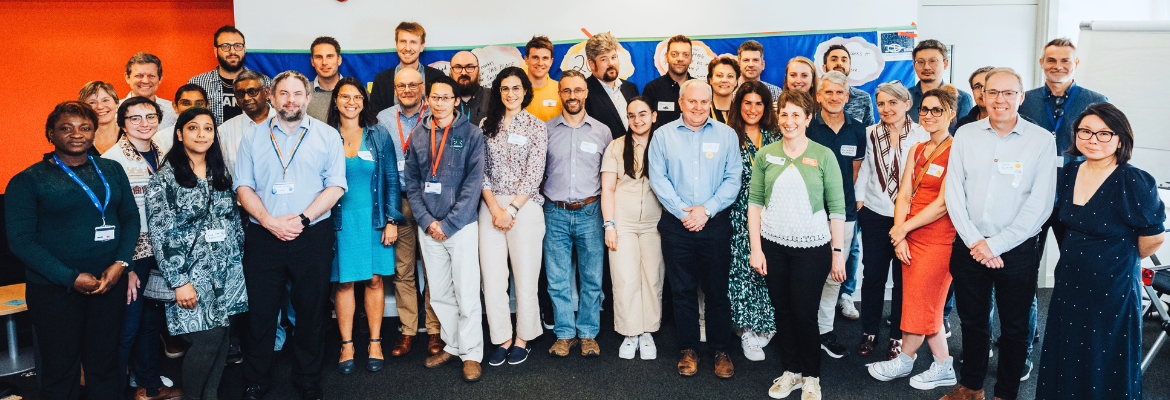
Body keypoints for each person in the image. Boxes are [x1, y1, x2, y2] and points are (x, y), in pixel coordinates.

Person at [6, 101, 137, 400]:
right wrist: (71, 277)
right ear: (50, 133)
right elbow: (21, 242)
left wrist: (121, 263)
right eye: (66, 128)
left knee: (104, 365)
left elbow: (129, 217)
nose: (76, 134)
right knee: (59, 370)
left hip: (108, 285)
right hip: (55, 292)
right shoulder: (28, 180)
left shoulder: (112, 170)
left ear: (94, 132)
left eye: (85, 127)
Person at [941, 67, 1057, 400]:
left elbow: (1040, 205)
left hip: (1017, 249)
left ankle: (1005, 393)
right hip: (969, 246)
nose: (999, 100)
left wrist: (995, 245)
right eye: (992, 92)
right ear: (982, 96)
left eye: (1008, 93)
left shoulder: (1041, 141)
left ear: (1021, 97)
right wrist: (976, 243)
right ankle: (971, 387)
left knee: (1016, 328)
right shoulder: (965, 134)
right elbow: (954, 193)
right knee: (973, 322)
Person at [1037, 103, 1165, 400]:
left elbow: (1154, 239)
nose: (1093, 139)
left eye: (1104, 133)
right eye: (1085, 131)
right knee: (1068, 352)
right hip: (1070, 281)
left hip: (1113, 287)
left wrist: (1116, 261)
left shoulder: (1133, 180)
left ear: (1121, 139)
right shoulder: (1069, 173)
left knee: (1105, 359)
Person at [234, 70, 346, 400]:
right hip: (264, 234)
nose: (290, 100)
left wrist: (302, 219)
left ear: (309, 98)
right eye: (283, 93)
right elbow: (243, 186)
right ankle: (257, 379)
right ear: (271, 96)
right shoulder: (253, 137)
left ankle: (308, 378)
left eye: (298, 94)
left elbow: (336, 185)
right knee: (260, 311)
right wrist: (269, 220)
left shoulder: (327, 136)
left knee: (311, 311)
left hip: (311, 234)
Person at [146, 107, 248, 400]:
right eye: (193, 128)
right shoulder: (163, 180)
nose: (201, 134)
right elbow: (162, 234)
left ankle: (210, 395)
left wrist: (238, 261)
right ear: (179, 134)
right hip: (191, 274)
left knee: (222, 338)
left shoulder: (220, 172)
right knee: (207, 338)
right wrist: (179, 281)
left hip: (227, 271)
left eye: (207, 128)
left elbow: (233, 221)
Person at [750, 90, 846, 400]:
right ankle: (791, 371)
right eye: (784, 114)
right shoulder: (766, 154)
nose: (789, 121)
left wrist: (838, 254)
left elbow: (838, 209)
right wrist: (756, 248)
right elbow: (754, 204)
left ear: (808, 118)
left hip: (813, 248)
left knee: (804, 314)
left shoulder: (823, 155)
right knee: (784, 312)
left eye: (796, 115)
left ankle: (812, 377)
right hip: (773, 245)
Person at [867, 86, 961, 390]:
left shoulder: (957, 150)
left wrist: (901, 230)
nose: (930, 115)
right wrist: (901, 236)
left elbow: (943, 203)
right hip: (909, 233)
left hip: (939, 236)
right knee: (916, 301)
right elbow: (904, 194)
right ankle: (933, 363)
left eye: (937, 110)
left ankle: (912, 359)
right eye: (925, 109)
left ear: (950, 114)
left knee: (926, 302)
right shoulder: (918, 149)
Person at [648, 79, 738, 379]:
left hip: (715, 223)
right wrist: (684, 213)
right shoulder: (662, 136)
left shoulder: (726, 135)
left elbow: (732, 179)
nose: (698, 107)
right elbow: (658, 179)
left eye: (703, 102)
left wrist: (707, 210)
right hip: (677, 226)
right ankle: (688, 348)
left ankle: (720, 349)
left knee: (716, 291)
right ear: (681, 103)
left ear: (709, 102)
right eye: (692, 101)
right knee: (683, 291)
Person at [403, 76, 486, 382]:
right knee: (438, 292)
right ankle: (454, 344)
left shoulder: (472, 134)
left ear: (455, 101)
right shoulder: (419, 135)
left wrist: (449, 224)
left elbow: (473, 185)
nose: (439, 103)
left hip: (460, 226)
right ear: (429, 99)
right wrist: (427, 221)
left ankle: (472, 353)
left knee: (466, 291)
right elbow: (412, 182)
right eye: (434, 97)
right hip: (429, 227)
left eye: (445, 98)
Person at [102, 96, 179, 400]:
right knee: (128, 327)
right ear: (122, 123)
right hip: (133, 254)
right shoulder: (112, 160)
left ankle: (147, 385)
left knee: (150, 322)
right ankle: (113, 391)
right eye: (135, 118)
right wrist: (126, 265)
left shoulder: (162, 152)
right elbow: (110, 216)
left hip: (159, 251)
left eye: (150, 116)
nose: (144, 123)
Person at [325, 77, 402, 374]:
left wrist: (392, 220)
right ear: (336, 100)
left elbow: (391, 180)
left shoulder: (378, 134)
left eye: (357, 97)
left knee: (373, 280)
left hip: (374, 219)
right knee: (344, 282)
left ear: (364, 101)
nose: (351, 102)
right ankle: (347, 344)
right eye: (345, 97)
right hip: (339, 221)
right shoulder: (325, 135)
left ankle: (374, 342)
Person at [851, 81, 928, 359]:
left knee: (902, 280)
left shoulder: (922, 134)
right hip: (875, 213)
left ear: (907, 105)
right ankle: (869, 331)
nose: (886, 109)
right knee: (872, 276)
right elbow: (864, 172)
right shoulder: (869, 132)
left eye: (892, 103)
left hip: (909, 219)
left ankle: (897, 336)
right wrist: (860, 204)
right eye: (881, 103)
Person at [478, 67, 548, 367]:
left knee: (526, 277)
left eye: (516, 88)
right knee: (492, 279)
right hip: (490, 207)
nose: (511, 94)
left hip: (526, 207)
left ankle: (523, 338)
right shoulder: (485, 125)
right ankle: (502, 338)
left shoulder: (536, 126)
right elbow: (479, 170)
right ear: (498, 92)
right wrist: (495, 209)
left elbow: (535, 174)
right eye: (505, 88)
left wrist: (513, 210)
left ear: (525, 91)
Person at [375, 67, 446, 358]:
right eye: (401, 85)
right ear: (395, 88)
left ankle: (434, 331)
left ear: (422, 87)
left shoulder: (437, 114)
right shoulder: (382, 118)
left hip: (431, 202)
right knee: (403, 271)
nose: (407, 90)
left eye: (413, 85)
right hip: (400, 201)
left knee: (434, 269)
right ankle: (407, 331)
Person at [543, 70, 612, 358]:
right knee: (557, 278)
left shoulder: (602, 131)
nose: (573, 95)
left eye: (578, 90)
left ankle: (587, 333)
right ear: (560, 94)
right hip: (554, 212)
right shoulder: (545, 130)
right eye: (567, 90)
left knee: (592, 277)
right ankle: (564, 333)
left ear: (586, 93)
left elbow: (609, 178)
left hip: (590, 211)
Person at [805, 70, 866, 360]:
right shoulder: (807, 128)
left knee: (834, 275)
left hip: (844, 214)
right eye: (828, 92)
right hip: (809, 213)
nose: (833, 97)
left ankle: (824, 331)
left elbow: (852, 175)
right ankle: (803, 331)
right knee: (805, 274)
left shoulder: (857, 130)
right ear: (818, 96)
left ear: (847, 96)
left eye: (839, 93)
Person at [601, 97, 665, 360]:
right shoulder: (616, 147)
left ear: (653, 116)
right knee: (625, 277)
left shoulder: (663, 146)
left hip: (655, 224)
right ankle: (630, 332)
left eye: (642, 114)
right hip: (623, 223)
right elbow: (608, 188)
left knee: (652, 278)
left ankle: (647, 331)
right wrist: (609, 226)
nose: (637, 120)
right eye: (631, 115)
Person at [725, 82, 781, 362]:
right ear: (739, 105)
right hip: (739, 213)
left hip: (773, 214)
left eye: (759, 103)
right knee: (744, 273)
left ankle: (767, 324)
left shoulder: (776, 136)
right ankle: (746, 329)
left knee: (769, 271)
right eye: (747, 103)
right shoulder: (728, 136)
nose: (753, 109)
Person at [188, 25, 270, 125]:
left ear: (244, 49)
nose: (232, 51)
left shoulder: (265, 82)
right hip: (212, 140)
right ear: (215, 51)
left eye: (238, 46)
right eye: (225, 46)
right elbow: (187, 118)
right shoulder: (197, 83)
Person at [370, 22, 446, 113]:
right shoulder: (381, 79)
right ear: (396, 45)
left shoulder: (438, 77)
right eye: (403, 41)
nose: (407, 48)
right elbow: (375, 117)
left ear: (421, 47)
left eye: (413, 42)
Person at [907, 40, 974, 132]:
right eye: (921, 62)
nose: (926, 67)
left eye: (933, 61)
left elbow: (965, 137)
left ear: (945, 63)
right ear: (914, 65)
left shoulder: (962, 98)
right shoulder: (905, 97)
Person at [583, 32, 639, 140]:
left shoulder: (631, 88)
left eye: (614, 57)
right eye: (604, 59)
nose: (611, 63)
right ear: (591, 64)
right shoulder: (584, 92)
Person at [219, 70, 274, 175]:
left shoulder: (287, 123)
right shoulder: (224, 131)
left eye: (252, 92)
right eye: (240, 94)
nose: (246, 98)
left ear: (266, 92)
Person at [154, 85, 211, 177]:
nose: (192, 108)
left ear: (207, 106)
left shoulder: (215, 135)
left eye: (199, 104)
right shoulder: (160, 138)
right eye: (186, 103)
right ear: (175, 106)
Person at [642, 35, 693, 130]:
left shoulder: (699, 88)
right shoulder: (652, 88)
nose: (680, 59)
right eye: (675, 54)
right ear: (666, 57)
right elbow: (645, 124)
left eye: (685, 54)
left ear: (691, 59)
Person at [821, 44, 875, 126]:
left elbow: (869, 132)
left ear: (850, 69)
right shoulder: (815, 97)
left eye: (844, 60)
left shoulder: (863, 97)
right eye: (834, 59)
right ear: (824, 68)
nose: (839, 63)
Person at [123, 52, 178, 128]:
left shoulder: (174, 112)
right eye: (139, 75)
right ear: (127, 77)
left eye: (151, 76)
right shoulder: (112, 112)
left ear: (160, 79)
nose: (145, 81)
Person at [523, 36, 562, 122]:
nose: (540, 63)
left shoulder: (561, 90)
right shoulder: (515, 91)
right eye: (535, 57)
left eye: (545, 58)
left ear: (551, 62)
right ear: (526, 59)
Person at [307, 36, 344, 121]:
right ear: (312, 61)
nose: (324, 62)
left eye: (329, 56)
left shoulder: (358, 92)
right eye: (319, 57)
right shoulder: (302, 93)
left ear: (339, 60)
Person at [79, 81, 121, 154]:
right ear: (84, 108)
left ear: (117, 103)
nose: (100, 107)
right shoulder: (78, 141)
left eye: (105, 100)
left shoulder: (131, 136)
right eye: (92, 102)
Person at [450, 50, 490, 127]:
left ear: (478, 70)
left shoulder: (492, 98)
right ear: (451, 71)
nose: (464, 72)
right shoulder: (443, 100)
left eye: (469, 67)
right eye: (458, 67)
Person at [737, 40, 783, 104]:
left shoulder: (776, 93)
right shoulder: (729, 92)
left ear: (762, 65)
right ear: (739, 64)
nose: (750, 65)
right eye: (746, 60)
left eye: (755, 60)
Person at [707, 56, 740, 124]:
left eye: (730, 76)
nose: (724, 80)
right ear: (710, 79)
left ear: (736, 81)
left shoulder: (742, 112)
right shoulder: (701, 111)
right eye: (719, 75)